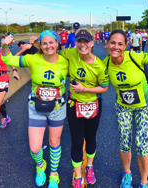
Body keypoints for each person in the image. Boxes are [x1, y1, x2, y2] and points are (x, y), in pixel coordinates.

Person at [102, 28, 148, 188]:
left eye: (120, 44)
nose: (116, 47)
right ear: (106, 44)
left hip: (145, 106)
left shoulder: (136, 56)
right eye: (112, 43)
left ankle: (144, 181)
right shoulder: (104, 63)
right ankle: (127, 174)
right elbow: (87, 68)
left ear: (126, 45)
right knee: (124, 143)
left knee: (142, 145)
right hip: (123, 107)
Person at [1, 30, 69, 188]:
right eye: (44, 43)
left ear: (57, 43)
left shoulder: (65, 61)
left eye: (51, 42)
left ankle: (53, 174)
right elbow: (7, 58)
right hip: (36, 106)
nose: (48, 46)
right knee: (35, 147)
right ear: (40, 45)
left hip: (57, 107)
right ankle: (41, 166)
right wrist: (4, 45)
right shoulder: (33, 59)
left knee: (54, 142)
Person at [59, 29, 109, 188]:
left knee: (91, 138)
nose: (82, 45)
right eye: (79, 41)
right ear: (75, 43)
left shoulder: (99, 66)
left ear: (92, 43)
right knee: (77, 141)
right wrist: (34, 46)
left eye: (86, 41)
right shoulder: (69, 53)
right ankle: (78, 176)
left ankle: (89, 167)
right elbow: (52, 52)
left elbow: (105, 87)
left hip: (93, 104)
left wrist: (85, 89)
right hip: (74, 104)